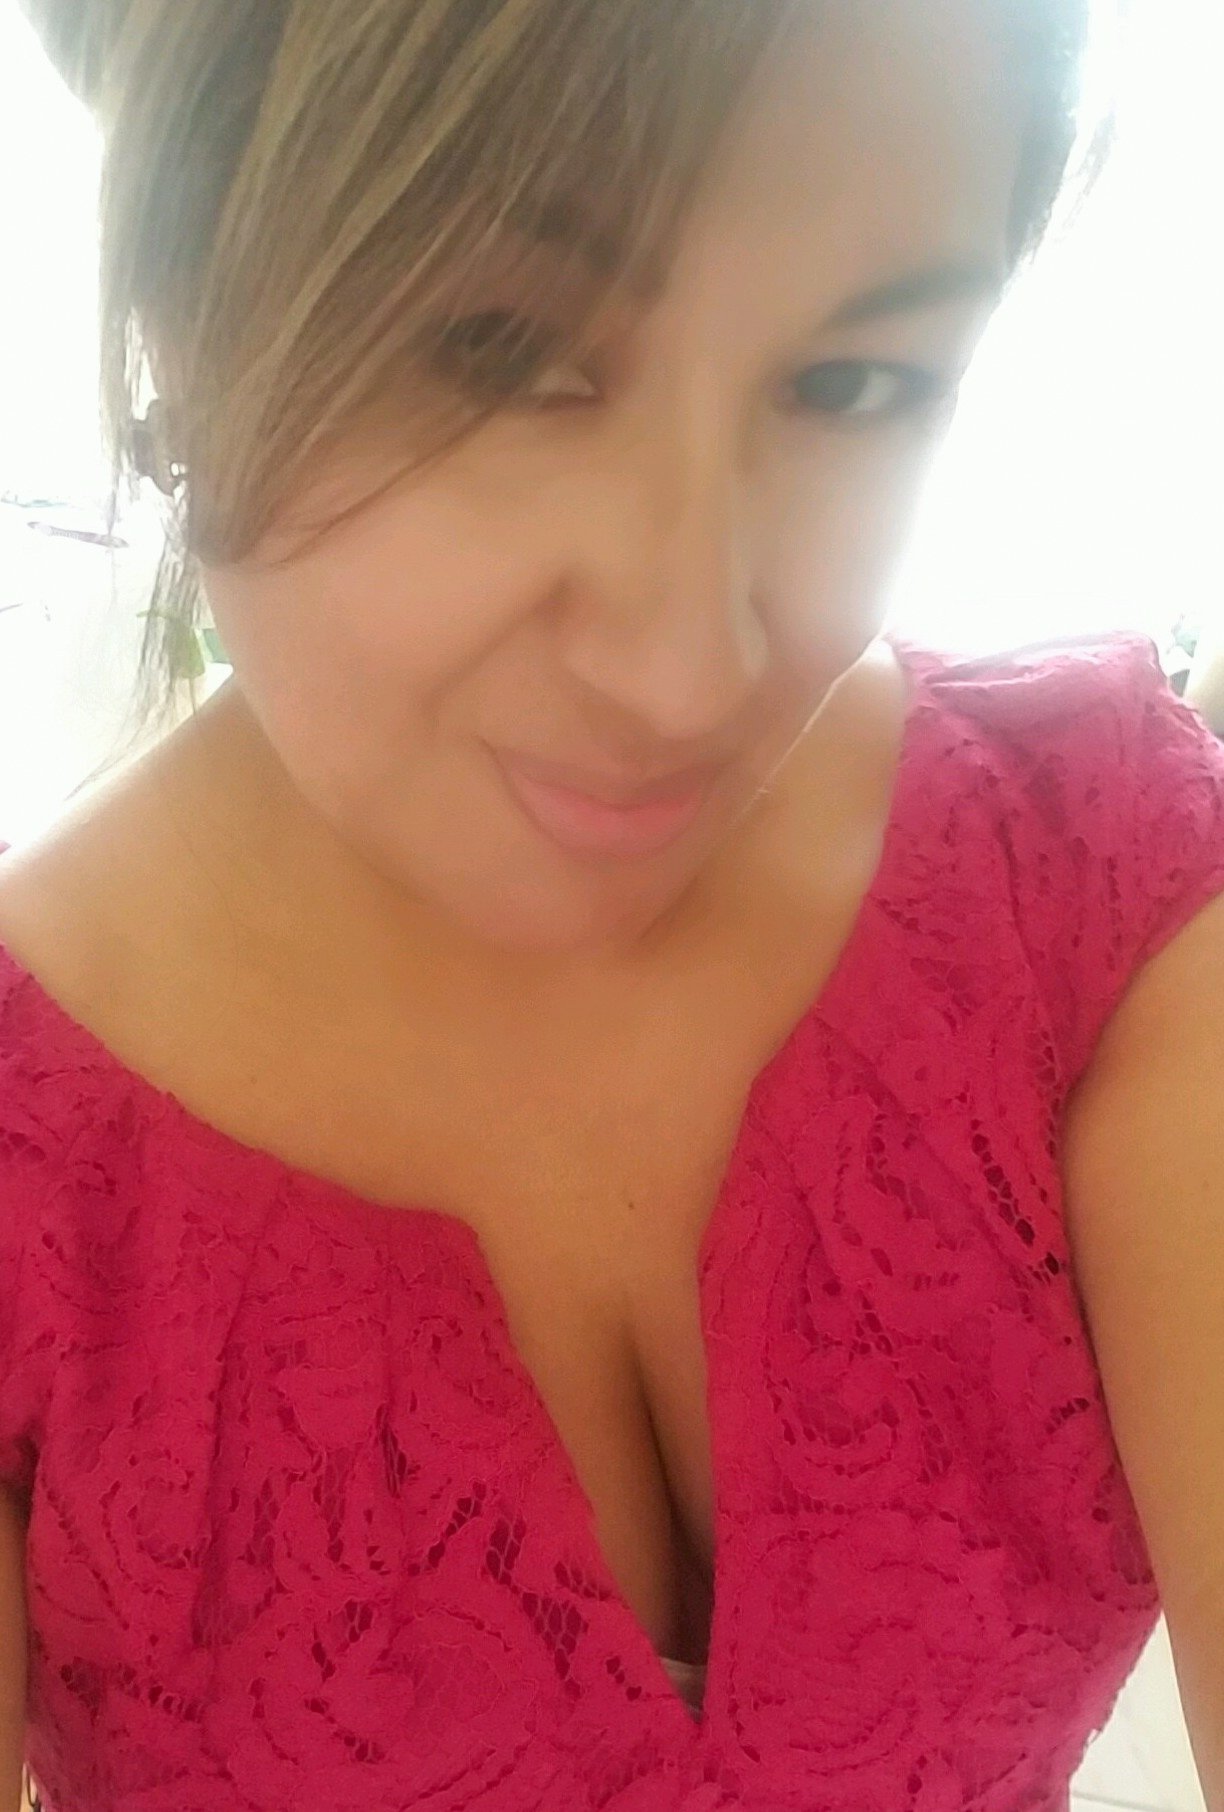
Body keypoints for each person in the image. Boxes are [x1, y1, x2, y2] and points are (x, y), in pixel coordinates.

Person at [1, 2, 1222, 1808]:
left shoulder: (1096, 886)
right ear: (174, 303)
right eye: (495, 351)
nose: (686, 668)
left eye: (853, 382)